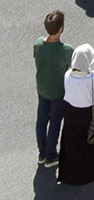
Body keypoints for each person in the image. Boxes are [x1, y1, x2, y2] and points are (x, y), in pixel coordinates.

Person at [57, 43, 94, 186]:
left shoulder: (67, 74)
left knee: (72, 144)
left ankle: (70, 173)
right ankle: (91, 172)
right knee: (91, 141)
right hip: (89, 113)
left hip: (71, 113)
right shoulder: (93, 76)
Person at [34, 9, 72, 169]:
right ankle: (51, 154)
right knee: (55, 122)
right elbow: (71, 67)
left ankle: (42, 152)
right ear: (61, 29)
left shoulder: (38, 44)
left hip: (42, 87)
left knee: (42, 119)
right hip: (58, 91)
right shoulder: (66, 49)